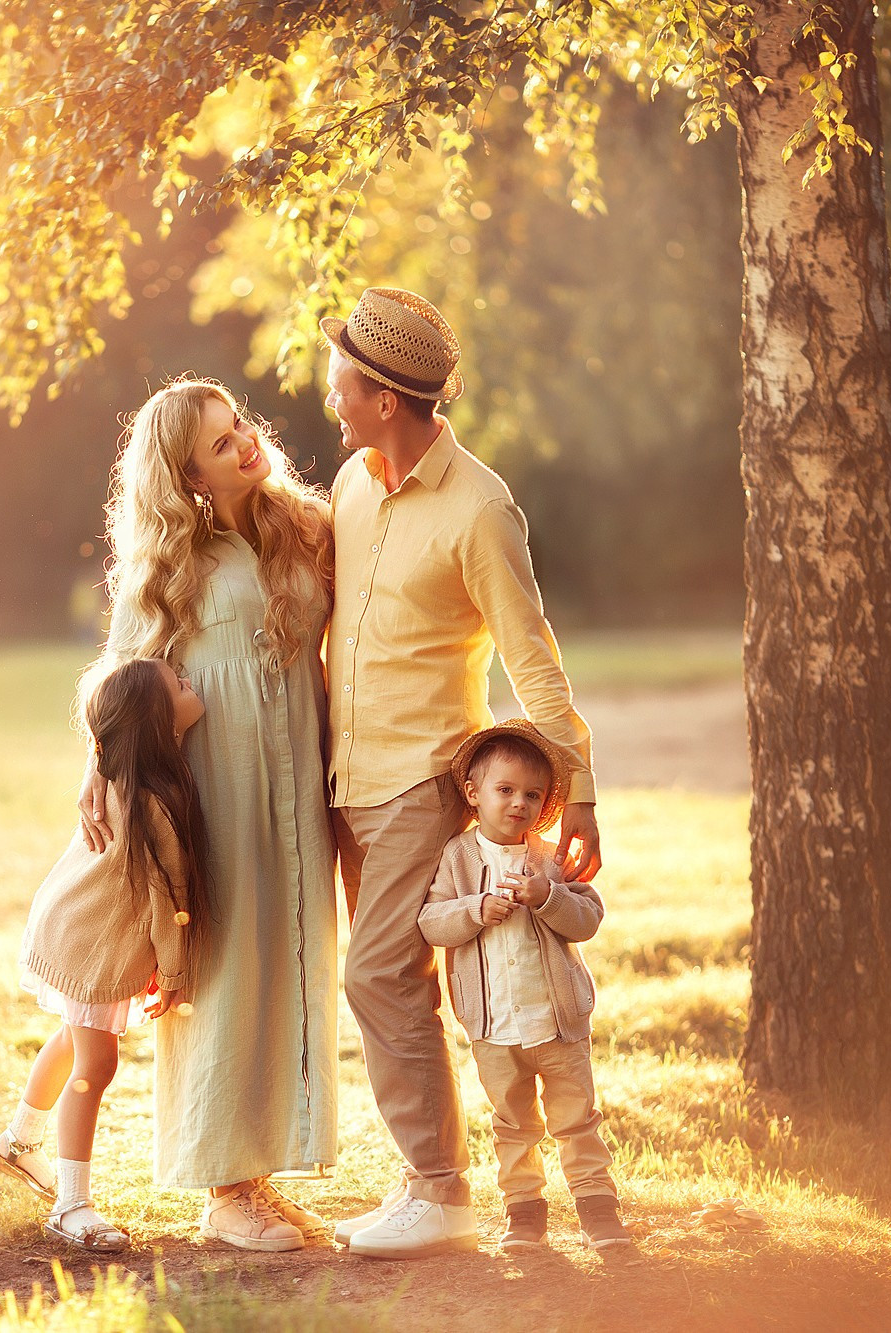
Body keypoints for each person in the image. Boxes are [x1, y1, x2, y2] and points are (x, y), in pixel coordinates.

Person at [320, 288, 603, 1259]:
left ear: (383, 399)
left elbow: (532, 660)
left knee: (375, 974)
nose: (330, 391)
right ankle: (426, 1181)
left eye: (341, 378)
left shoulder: (480, 507)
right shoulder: (350, 484)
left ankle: (439, 1193)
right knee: (394, 980)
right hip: (346, 781)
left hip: (420, 778)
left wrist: (579, 790)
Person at [75, 378, 340, 1251]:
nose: (246, 444)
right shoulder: (168, 567)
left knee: (290, 954)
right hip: (216, 779)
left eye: (240, 427)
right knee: (226, 966)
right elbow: (119, 684)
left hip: (297, 775)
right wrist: (96, 772)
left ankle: (260, 1174)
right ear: (187, 475)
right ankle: (226, 1192)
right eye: (220, 443)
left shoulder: (303, 525)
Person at [0, 657, 210, 1253]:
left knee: (72, 1039)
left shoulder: (122, 779)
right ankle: (71, 1205)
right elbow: (168, 897)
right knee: (97, 1065)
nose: (191, 681)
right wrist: (176, 971)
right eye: (179, 683)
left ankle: (19, 1140)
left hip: (72, 927)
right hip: (92, 946)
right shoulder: (152, 801)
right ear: (158, 720)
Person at [417, 721, 635, 1258]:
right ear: (474, 793)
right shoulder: (457, 858)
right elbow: (431, 922)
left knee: (576, 1120)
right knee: (513, 1124)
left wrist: (547, 897)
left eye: (533, 795)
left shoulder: (549, 860)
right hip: (493, 1028)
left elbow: (587, 917)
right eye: (506, 790)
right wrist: (475, 909)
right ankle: (525, 1215)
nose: (519, 803)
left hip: (557, 1022)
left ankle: (598, 1210)